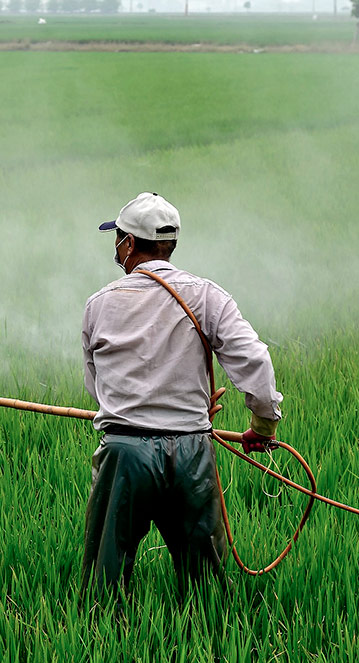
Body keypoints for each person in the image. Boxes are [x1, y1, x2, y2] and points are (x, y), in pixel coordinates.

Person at [80, 192, 283, 599]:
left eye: (118, 238)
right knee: (204, 585)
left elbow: (97, 385)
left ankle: (99, 643)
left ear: (130, 243)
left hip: (124, 452)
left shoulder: (99, 305)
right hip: (191, 449)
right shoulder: (208, 295)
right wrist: (262, 426)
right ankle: (211, 645)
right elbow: (255, 362)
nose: (117, 247)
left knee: (103, 582)